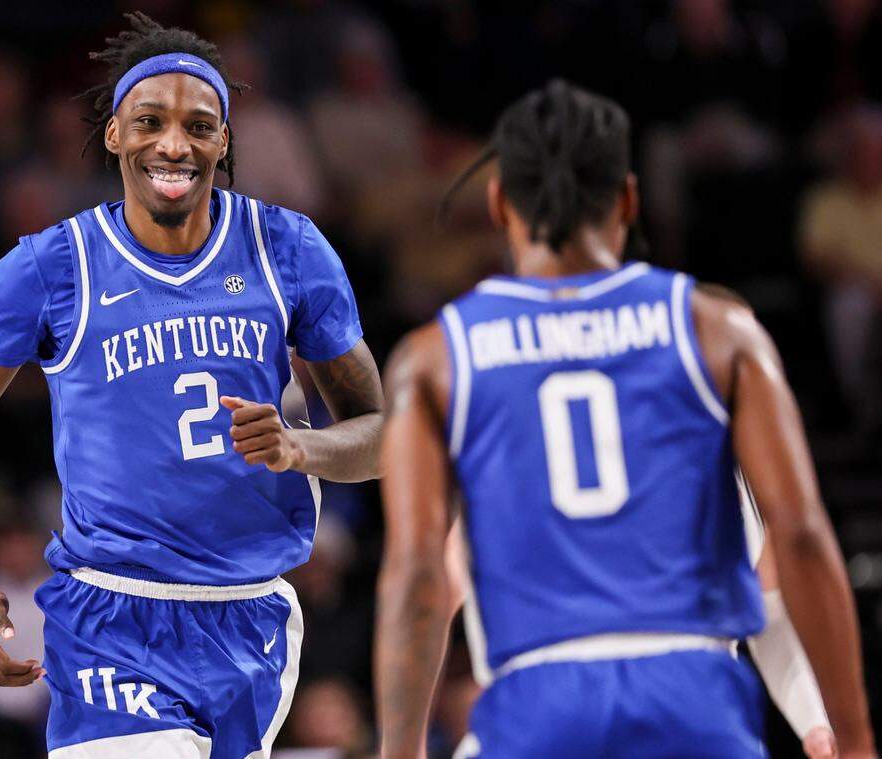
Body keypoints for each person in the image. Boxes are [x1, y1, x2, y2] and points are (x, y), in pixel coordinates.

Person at [0, 12, 383, 759]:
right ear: (114, 133)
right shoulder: (53, 266)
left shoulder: (287, 250)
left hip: (250, 618)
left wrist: (303, 448)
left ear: (224, 141)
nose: (174, 143)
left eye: (199, 125)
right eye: (150, 121)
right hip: (111, 616)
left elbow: (382, 436)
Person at [374, 80, 874, 758]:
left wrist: (396, 750)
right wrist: (854, 733)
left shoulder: (434, 358)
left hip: (536, 705)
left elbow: (415, 575)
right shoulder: (717, 328)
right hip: (693, 695)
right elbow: (803, 535)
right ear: (630, 198)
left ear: (497, 204)